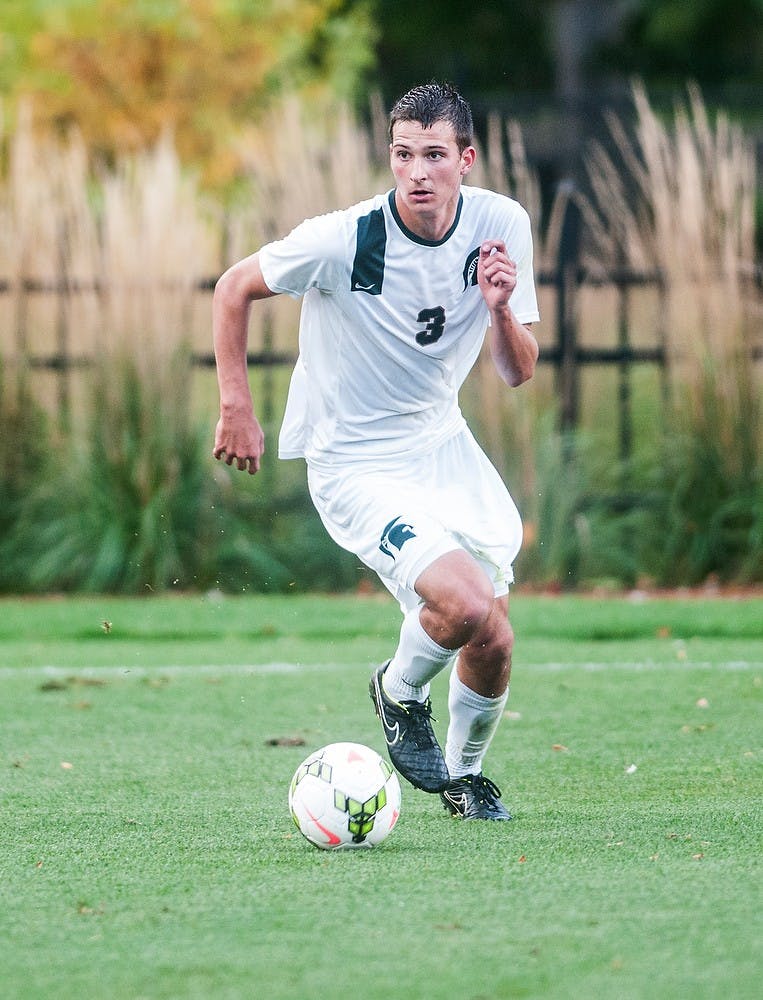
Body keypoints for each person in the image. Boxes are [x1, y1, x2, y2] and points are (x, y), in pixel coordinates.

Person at [213, 82, 540, 821]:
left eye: (433, 155)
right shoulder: (345, 236)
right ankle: (397, 691)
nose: (416, 171)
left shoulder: (500, 224)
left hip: (441, 444)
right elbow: (233, 287)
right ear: (389, 158)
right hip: (353, 459)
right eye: (401, 154)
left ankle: (462, 779)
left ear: (466, 158)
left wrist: (497, 311)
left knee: (492, 634)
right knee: (460, 604)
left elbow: (518, 370)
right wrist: (237, 404)